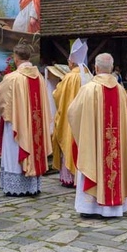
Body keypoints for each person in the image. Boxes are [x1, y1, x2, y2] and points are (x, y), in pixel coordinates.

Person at [67, 53, 127, 219]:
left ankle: (91, 208)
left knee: (95, 159)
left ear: (96, 68)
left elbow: (73, 113)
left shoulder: (89, 89)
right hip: (116, 146)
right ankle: (114, 207)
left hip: (95, 144)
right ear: (111, 68)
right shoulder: (120, 90)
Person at [0, 43, 52, 196]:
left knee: (13, 151)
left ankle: (16, 187)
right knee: (34, 147)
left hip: (18, 125)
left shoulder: (13, 78)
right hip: (35, 126)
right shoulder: (39, 77)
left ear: (16, 58)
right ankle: (32, 185)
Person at [51, 39, 91, 187]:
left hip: (71, 118)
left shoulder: (69, 77)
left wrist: (55, 88)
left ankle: (69, 176)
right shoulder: (88, 74)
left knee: (69, 142)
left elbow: (58, 95)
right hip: (85, 118)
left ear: (72, 62)